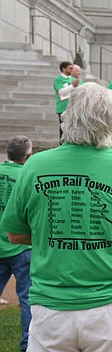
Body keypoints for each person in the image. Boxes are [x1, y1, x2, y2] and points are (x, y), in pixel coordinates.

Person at [1, 82, 112, 351]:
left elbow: (16, 233)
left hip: (51, 307)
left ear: (68, 116)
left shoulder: (35, 165)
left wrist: (54, 236)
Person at [0, 135, 33, 352]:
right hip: (21, 245)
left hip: (7, 245)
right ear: (28, 155)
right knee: (28, 299)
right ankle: (27, 344)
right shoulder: (27, 177)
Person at [53, 61, 79, 139]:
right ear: (63, 69)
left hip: (72, 107)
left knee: (72, 128)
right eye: (70, 68)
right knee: (63, 128)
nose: (72, 69)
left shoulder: (73, 79)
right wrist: (72, 86)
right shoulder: (58, 79)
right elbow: (61, 92)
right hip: (63, 107)